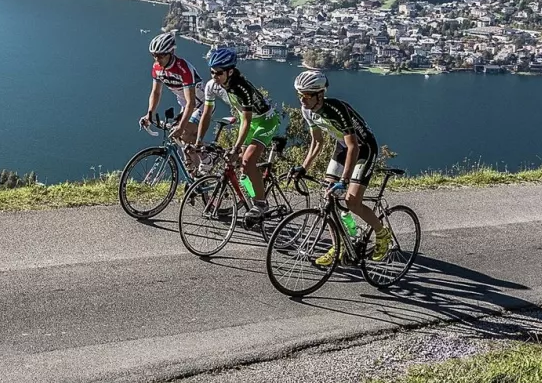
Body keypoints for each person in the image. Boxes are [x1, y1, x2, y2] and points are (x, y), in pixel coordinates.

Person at [291, 69, 394, 262]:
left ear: (320, 95)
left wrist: (345, 180)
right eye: (300, 95)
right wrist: (303, 167)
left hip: (363, 149)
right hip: (342, 147)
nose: (302, 100)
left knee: (352, 201)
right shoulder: (307, 110)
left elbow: (354, 146)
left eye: (306, 96)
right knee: (327, 198)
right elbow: (317, 142)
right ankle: (340, 246)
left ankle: (382, 234)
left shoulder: (336, 109)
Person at [197, 46, 280, 219]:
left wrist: (236, 147)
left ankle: (261, 204)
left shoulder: (242, 88)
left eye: (218, 73)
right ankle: (252, 195)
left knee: (248, 160)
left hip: (265, 121)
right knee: (242, 168)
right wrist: (199, 140)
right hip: (247, 121)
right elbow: (206, 113)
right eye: (212, 72)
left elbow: (248, 121)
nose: (214, 76)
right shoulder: (212, 86)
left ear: (230, 71)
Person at [140, 31, 203, 162]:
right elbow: (156, 92)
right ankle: (194, 172)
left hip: (201, 104)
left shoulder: (183, 68)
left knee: (184, 133)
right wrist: (149, 114)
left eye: (161, 56)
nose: (157, 59)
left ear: (171, 53)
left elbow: (191, 103)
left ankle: (207, 159)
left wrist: (181, 127)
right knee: (177, 137)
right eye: (154, 55)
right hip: (185, 105)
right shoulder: (157, 67)